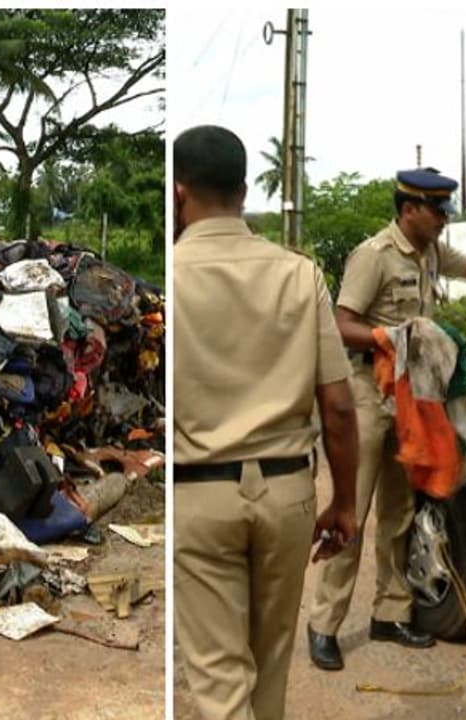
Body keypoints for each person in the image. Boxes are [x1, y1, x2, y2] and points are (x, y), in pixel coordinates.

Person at [306, 167, 466, 671]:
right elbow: (341, 325)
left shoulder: (431, 252)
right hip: (367, 395)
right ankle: (324, 624)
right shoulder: (374, 257)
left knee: (401, 512)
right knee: (351, 517)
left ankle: (390, 612)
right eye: (438, 209)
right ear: (409, 209)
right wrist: (388, 338)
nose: (445, 217)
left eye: (446, 209)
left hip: (409, 399)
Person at [174, 124, 360, 720]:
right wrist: (345, 503)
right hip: (286, 495)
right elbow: (337, 405)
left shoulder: (169, 280)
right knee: (269, 668)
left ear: (178, 193)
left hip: (197, 497)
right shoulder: (298, 275)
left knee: (219, 680)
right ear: (244, 189)